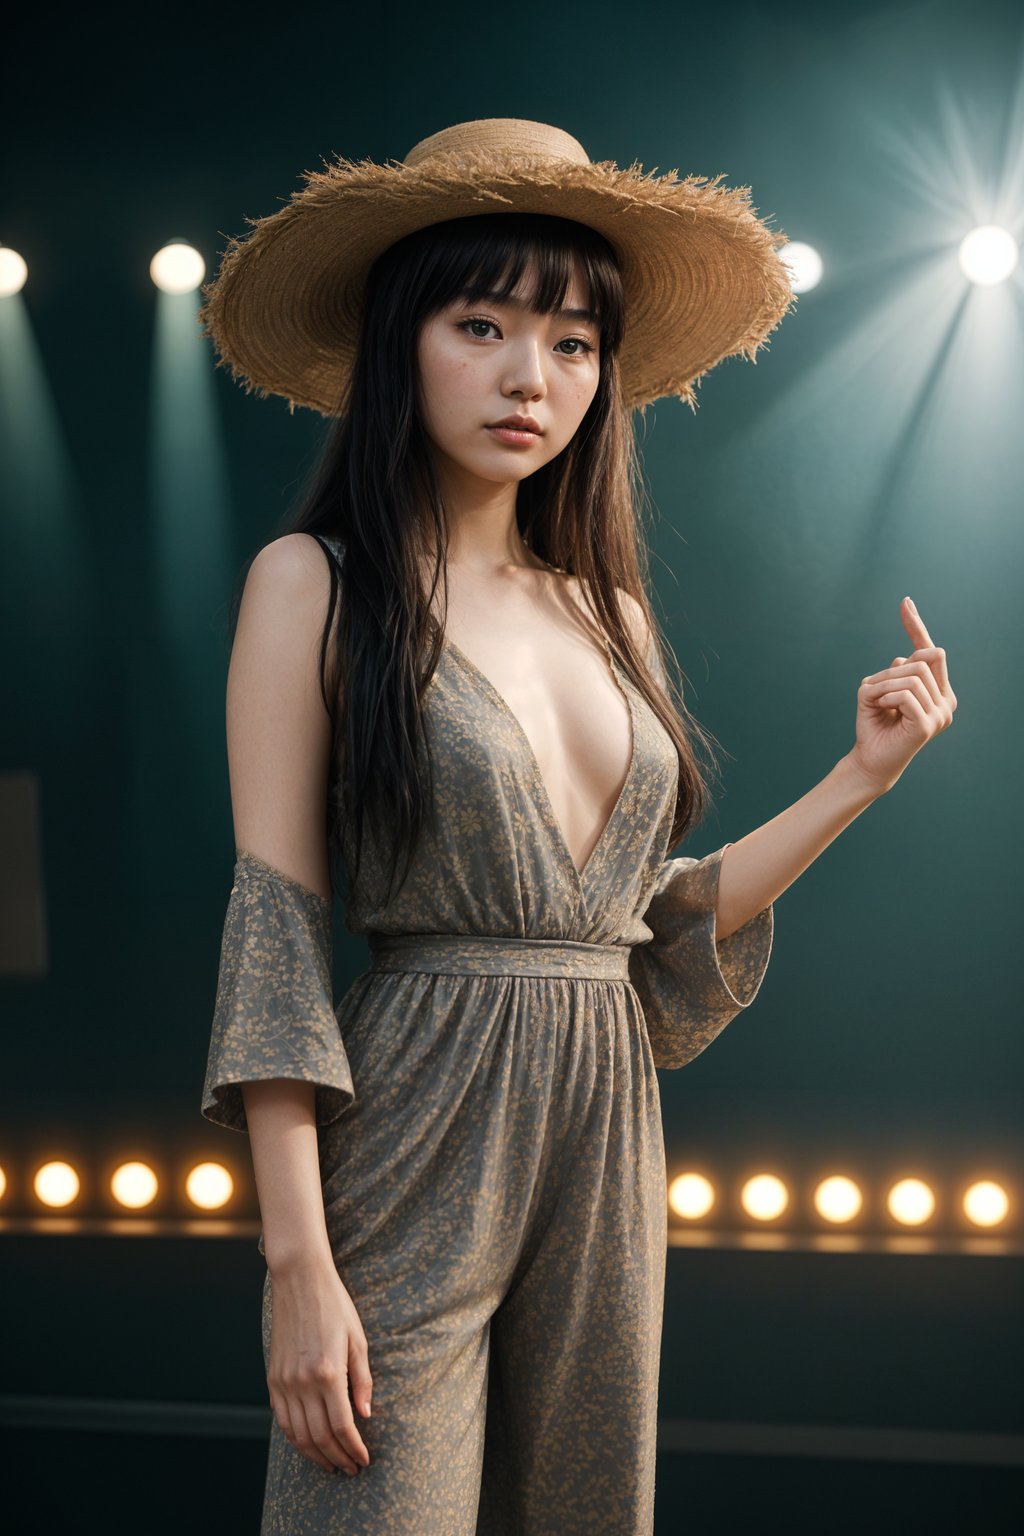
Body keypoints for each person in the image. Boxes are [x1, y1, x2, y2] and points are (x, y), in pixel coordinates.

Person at [197, 118, 957, 1536]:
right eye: (481, 324)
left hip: (607, 1122)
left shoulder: (608, 612)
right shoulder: (313, 582)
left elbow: (647, 924)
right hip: (420, 1113)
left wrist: (863, 777)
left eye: (571, 343)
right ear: (397, 343)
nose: (526, 377)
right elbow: (275, 934)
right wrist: (294, 1265)